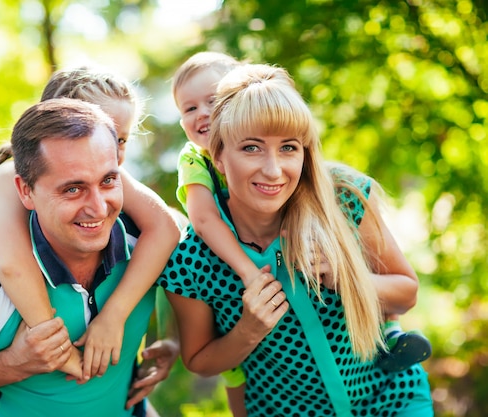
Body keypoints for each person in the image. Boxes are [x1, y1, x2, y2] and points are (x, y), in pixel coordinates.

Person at [159, 63, 434, 416]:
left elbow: (406, 292)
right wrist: (249, 329)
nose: (274, 170)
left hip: (393, 399)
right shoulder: (192, 259)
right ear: (219, 157)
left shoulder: (342, 198)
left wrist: (345, 278)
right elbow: (199, 361)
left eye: (288, 148)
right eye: (252, 148)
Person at [0, 67, 181, 417]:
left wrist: (117, 317)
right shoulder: (10, 177)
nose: (109, 146)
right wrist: (55, 345)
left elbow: (169, 230)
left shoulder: (107, 177)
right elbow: (10, 263)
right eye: (99, 127)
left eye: (121, 139)